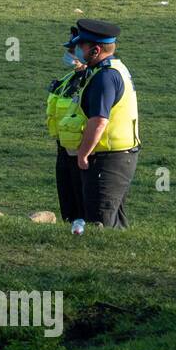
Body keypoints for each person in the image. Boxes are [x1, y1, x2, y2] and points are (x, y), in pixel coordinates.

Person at [56, 19, 140, 229]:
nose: (77, 50)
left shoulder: (105, 77)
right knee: (108, 220)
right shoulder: (106, 70)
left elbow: (99, 121)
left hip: (108, 158)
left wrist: (83, 154)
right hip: (110, 155)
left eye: (81, 46)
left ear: (95, 50)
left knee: (99, 222)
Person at [47, 27, 89, 223]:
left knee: (83, 203)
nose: (70, 55)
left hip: (82, 149)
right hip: (64, 147)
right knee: (67, 201)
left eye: (73, 50)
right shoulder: (69, 78)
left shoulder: (91, 78)